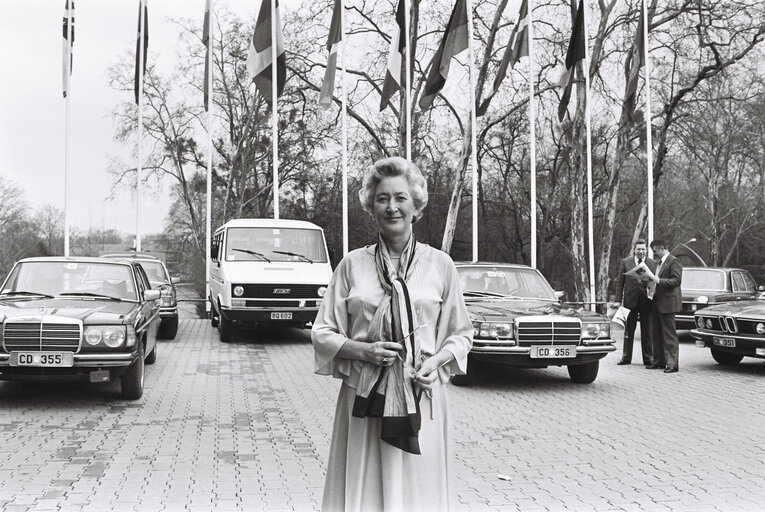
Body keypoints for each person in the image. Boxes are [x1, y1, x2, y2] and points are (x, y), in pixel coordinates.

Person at [311, 156, 473, 512]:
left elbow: (461, 335)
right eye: (382, 198)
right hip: (365, 397)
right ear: (371, 207)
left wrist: (437, 362)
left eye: (400, 197)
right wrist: (362, 351)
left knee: (420, 492)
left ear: (416, 204)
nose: (392, 206)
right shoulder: (353, 264)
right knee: (365, 489)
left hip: (422, 396)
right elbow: (322, 332)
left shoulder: (440, 265)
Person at [613, 239, 656, 366]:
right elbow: (620, 282)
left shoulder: (652, 263)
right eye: (639, 249)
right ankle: (626, 357)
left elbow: (655, 282)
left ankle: (648, 358)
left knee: (647, 331)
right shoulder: (626, 262)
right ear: (634, 250)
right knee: (629, 330)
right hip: (629, 300)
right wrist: (617, 300)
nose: (641, 251)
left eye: (643, 249)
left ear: (646, 250)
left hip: (646, 301)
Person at [645, 239, 683, 373]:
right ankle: (658, 361)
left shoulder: (674, 261)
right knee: (656, 333)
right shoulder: (658, 263)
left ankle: (672, 364)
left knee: (669, 334)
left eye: (655, 251)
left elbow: (677, 280)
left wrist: (659, 280)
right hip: (656, 301)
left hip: (668, 303)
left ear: (662, 248)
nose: (654, 254)